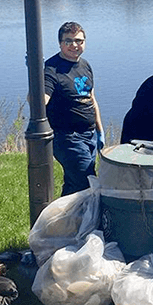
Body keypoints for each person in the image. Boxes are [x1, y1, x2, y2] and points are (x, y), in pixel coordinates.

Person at [44, 21, 104, 197]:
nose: (74, 45)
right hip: (67, 138)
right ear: (60, 43)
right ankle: (88, 221)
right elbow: (40, 101)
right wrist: (34, 79)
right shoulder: (51, 69)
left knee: (73, 185)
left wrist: (100, 131)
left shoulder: (85, 65)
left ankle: (61, 221)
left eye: (79, 40)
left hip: (90, 135)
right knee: (88, 183)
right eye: (68, 41)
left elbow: (91, 98)